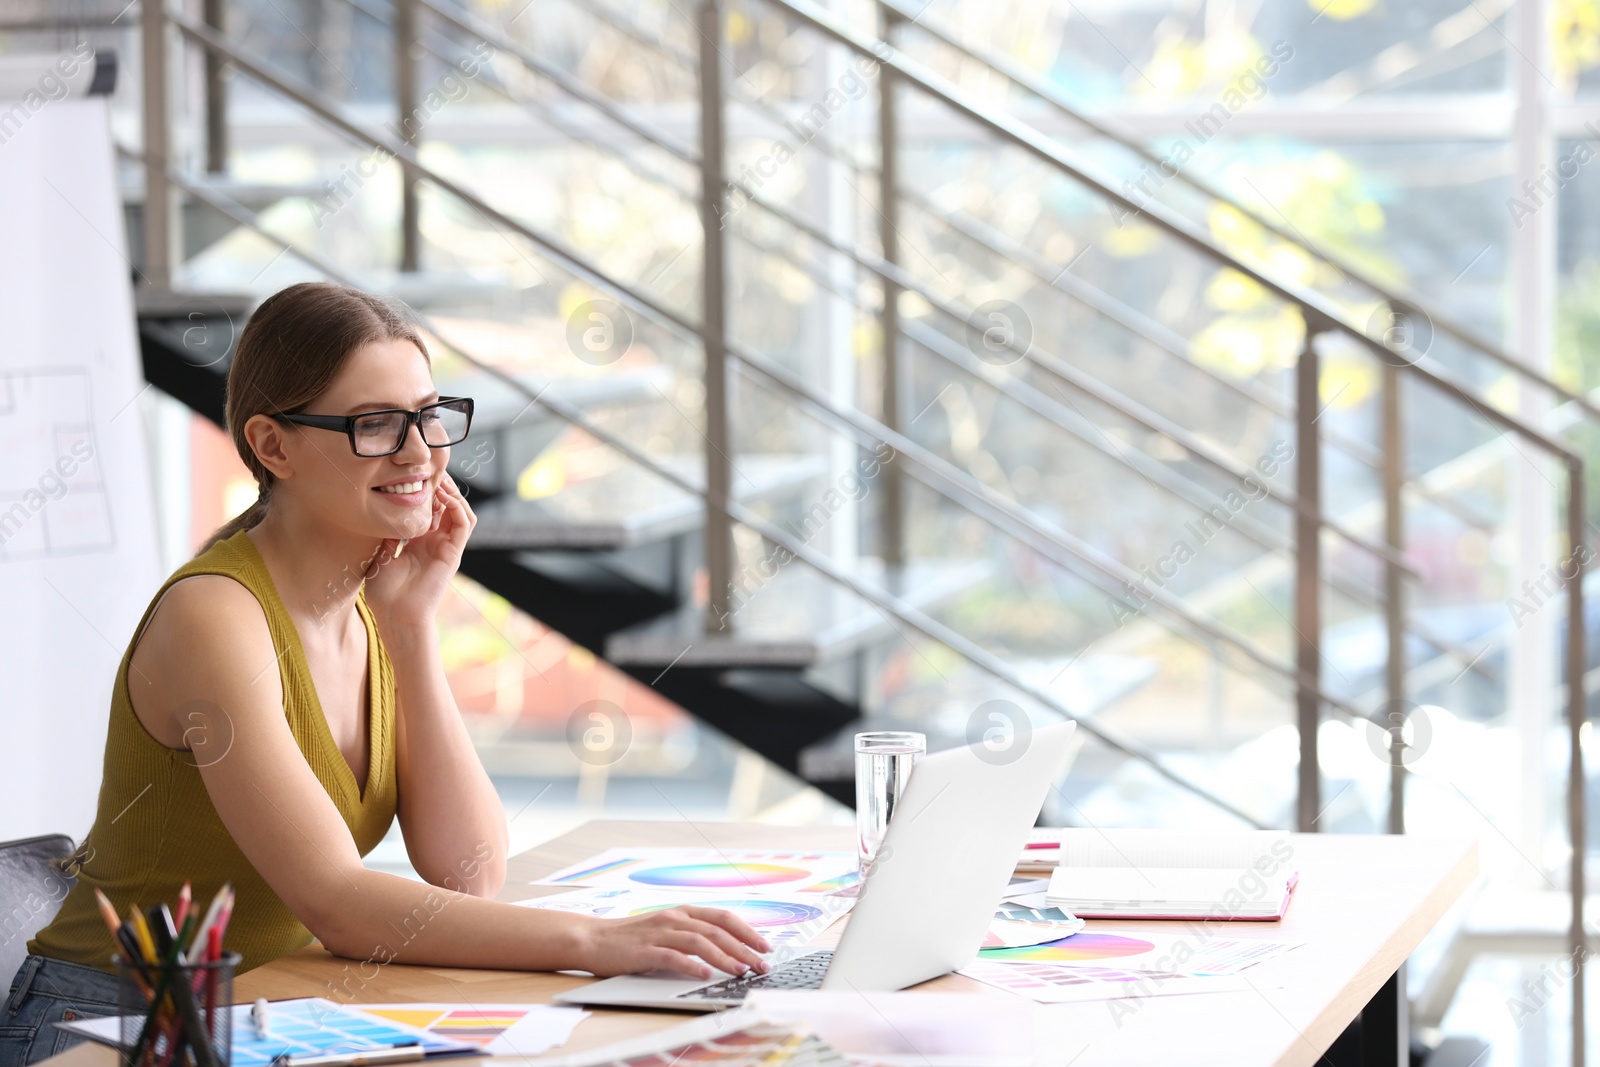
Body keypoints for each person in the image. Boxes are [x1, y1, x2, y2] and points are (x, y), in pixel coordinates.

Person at [2, 282, 768, 1067]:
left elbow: (470, 874)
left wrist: (410, 627)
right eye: (375, 425)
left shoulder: (371, 606)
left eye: (429, 415)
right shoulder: (215, 617)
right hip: (101, 1025)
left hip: (265, 1005)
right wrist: (599, 941)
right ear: (273, 446)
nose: (421, 452)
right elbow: (337, 900)